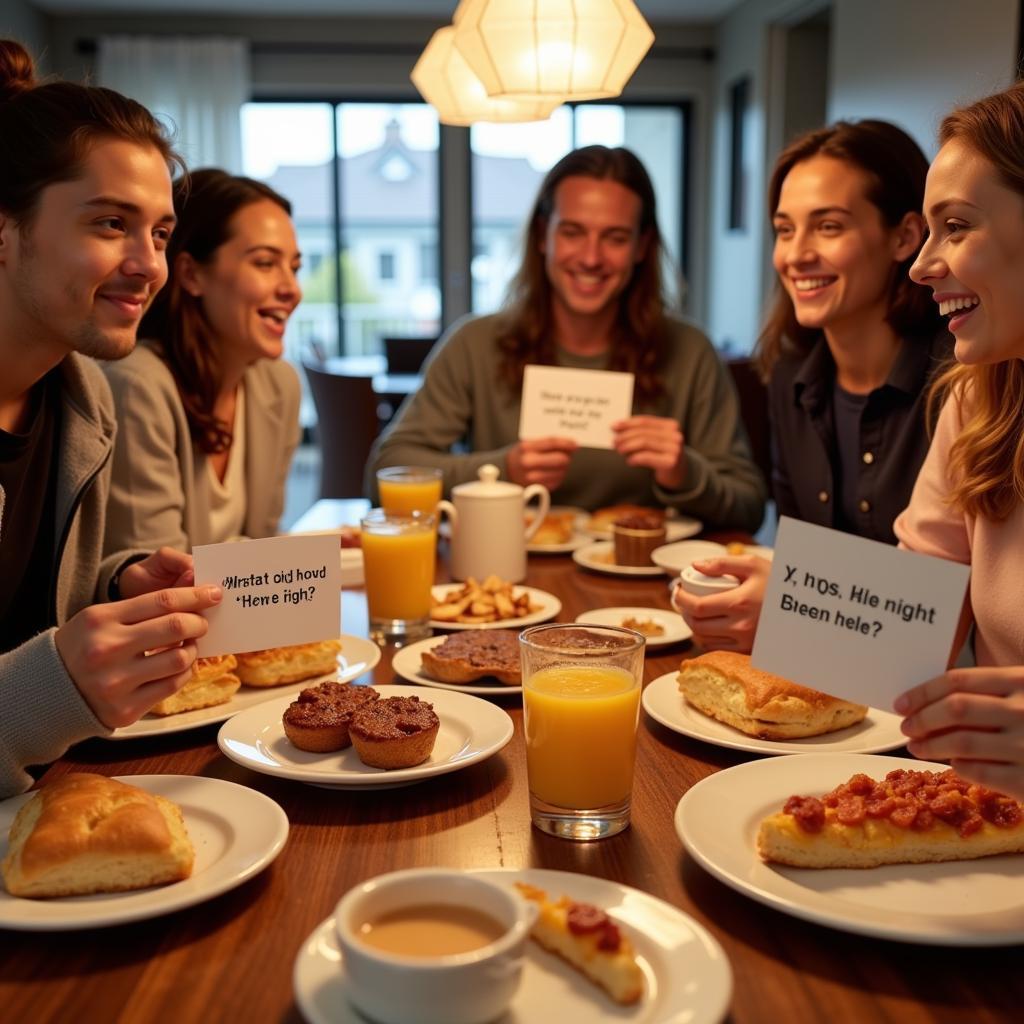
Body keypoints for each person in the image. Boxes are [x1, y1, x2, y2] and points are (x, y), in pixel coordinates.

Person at [0, 40, 221, 797]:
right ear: (5, 229)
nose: (150, 264)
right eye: (108, 224)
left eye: (159, 232)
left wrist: (115, 586)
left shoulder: (80, 396)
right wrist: (51, 690)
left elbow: (27, 611)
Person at [368, 145, 765, 532]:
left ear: (642, 246)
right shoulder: (476, 343)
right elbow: (384, 474)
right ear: (544, 236)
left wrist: (684, 471)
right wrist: (502, 471)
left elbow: (749, 507)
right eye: (573, 232)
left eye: (615, 237)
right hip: (503, 578)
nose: (591, 258)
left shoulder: (690, 351)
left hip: (645, 586)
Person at [676, 120, 950, 651]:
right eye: (784, 229)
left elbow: (949, 609)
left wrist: (789, 612)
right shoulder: (790, 375)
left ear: (905, 237)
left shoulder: (964, 385)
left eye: (828, 227)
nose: (795, 254)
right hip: (825, 671)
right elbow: (804, 564)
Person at [892, 82, 1024, 801]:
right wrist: (789, 602)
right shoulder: (979, 399)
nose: (921, 265)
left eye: (958, 227)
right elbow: (911, 634)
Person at [104, 169, 302, 553]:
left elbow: (261, 548)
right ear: (192, 274)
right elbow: (157, 579)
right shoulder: (139, 387)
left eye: (294, 267)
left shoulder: (279, 385)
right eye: (264, 263)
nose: (291, 289)